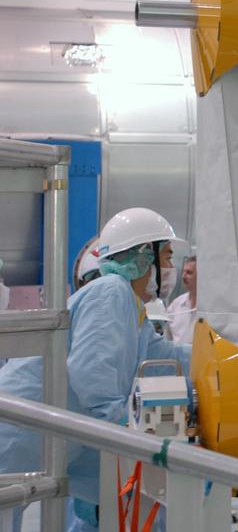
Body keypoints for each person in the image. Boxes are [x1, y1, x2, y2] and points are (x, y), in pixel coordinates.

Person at [0, 208, 191, 531]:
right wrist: (120, 426)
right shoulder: (111, 292)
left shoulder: (133, 311)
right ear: (146, 256)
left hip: (48, 438)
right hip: (18, 432)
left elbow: (163, 358)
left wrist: (230, 357)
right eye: (168, 256)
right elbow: (92, 371)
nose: (172, 268)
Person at [166, 254, 198, 345]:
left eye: (189, 273)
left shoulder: (212, 308)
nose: (183, 277)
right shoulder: (175, 305)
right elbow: (167, 341)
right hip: (177, 358)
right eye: (183, 272)